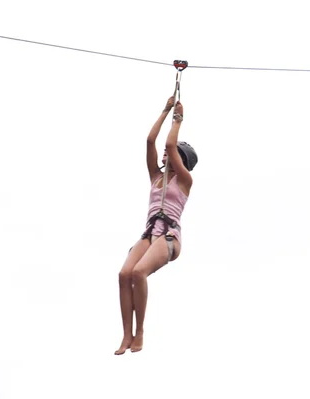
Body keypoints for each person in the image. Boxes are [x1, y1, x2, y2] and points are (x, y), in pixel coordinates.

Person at [114, 95, 198, 355]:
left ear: (180, 159)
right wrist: (165, 110)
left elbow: (170, 145)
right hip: (150, 233)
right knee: (124, 274)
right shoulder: (156, 177)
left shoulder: (184, 180)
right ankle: (126, 334)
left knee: (139, 273)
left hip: (170, 236)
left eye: (171, 154)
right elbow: (151, 141)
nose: (164, 154)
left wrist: (178, 119)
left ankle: (140, 333)